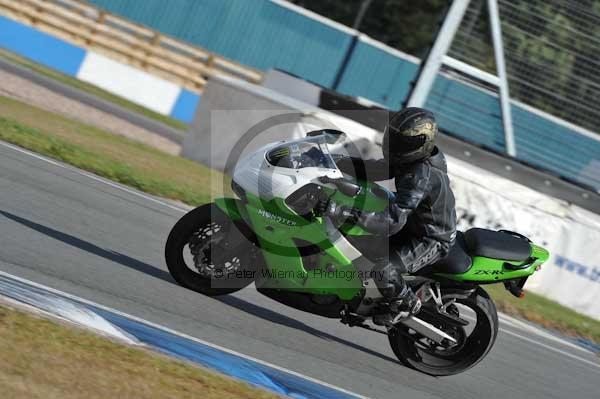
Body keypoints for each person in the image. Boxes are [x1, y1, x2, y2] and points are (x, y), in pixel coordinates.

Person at [329, 107, 457, 322]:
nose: (396, 146)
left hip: (431, 238)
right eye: (394, 139)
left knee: (384, 269)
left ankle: (407, 303)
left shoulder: (421, 175)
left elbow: (393, 221)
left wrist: (346, 213)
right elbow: (373, 170)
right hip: (414, 225)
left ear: (423, 142)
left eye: (404, 143)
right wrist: (333, 161)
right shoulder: (409, 161)